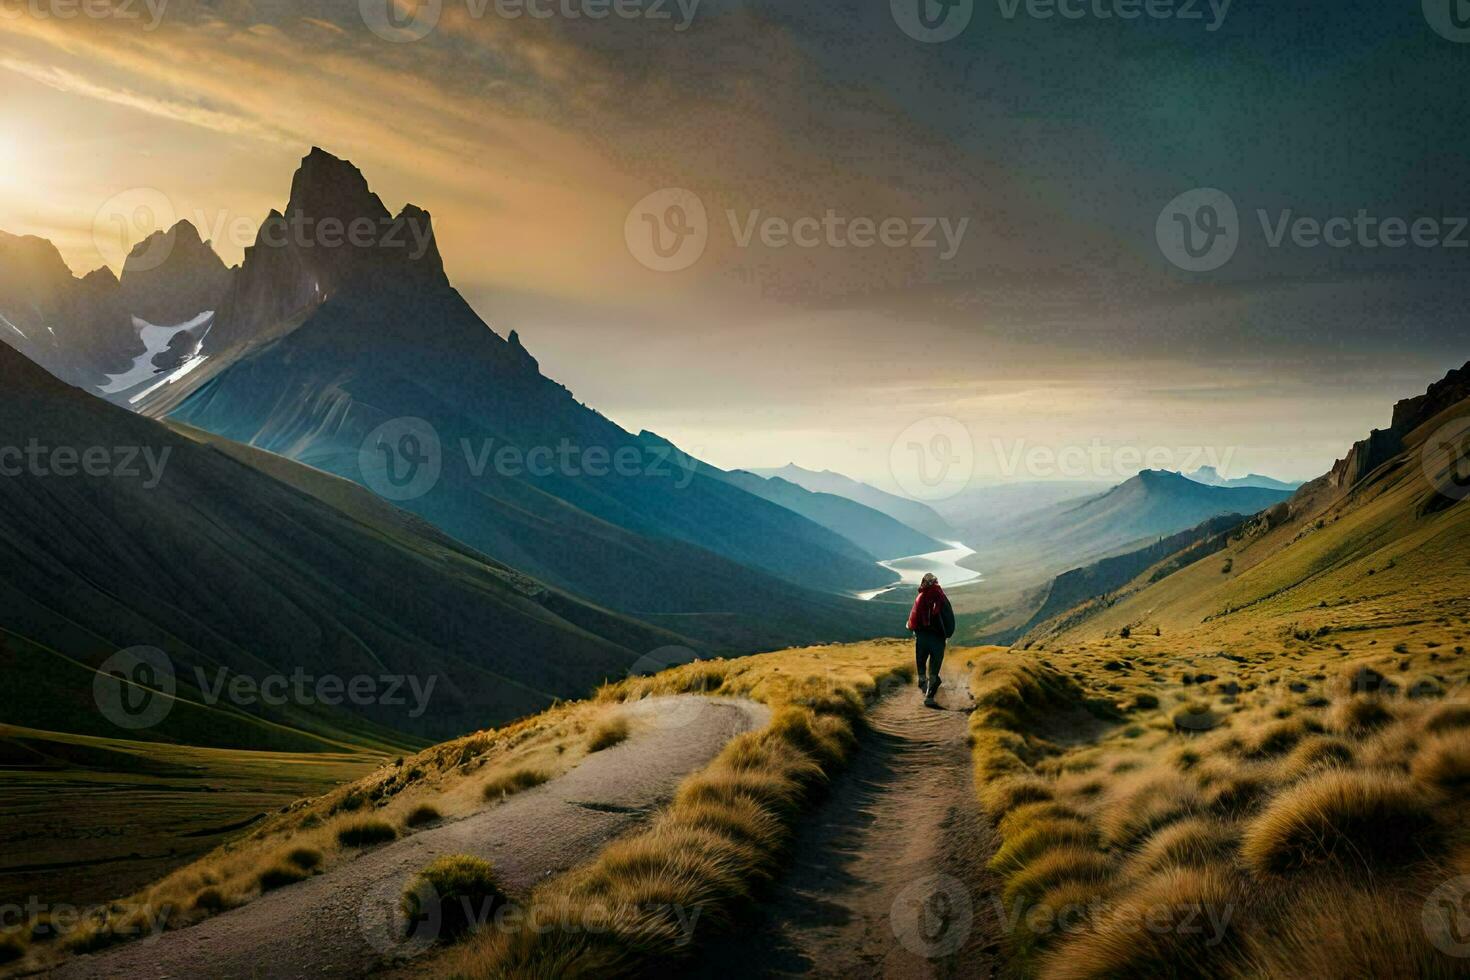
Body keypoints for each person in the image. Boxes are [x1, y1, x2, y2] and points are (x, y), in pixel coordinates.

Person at [907, 572, 955, 708]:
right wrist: (946, 635)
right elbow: (949, 619)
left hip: (921, 638)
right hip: (937, 640)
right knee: (934, 669)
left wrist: (916, 631)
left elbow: (913, 619)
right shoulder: (941, 597)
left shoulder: (920, 597)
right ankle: (929, 697)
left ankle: (923, 682)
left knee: (921, 664)